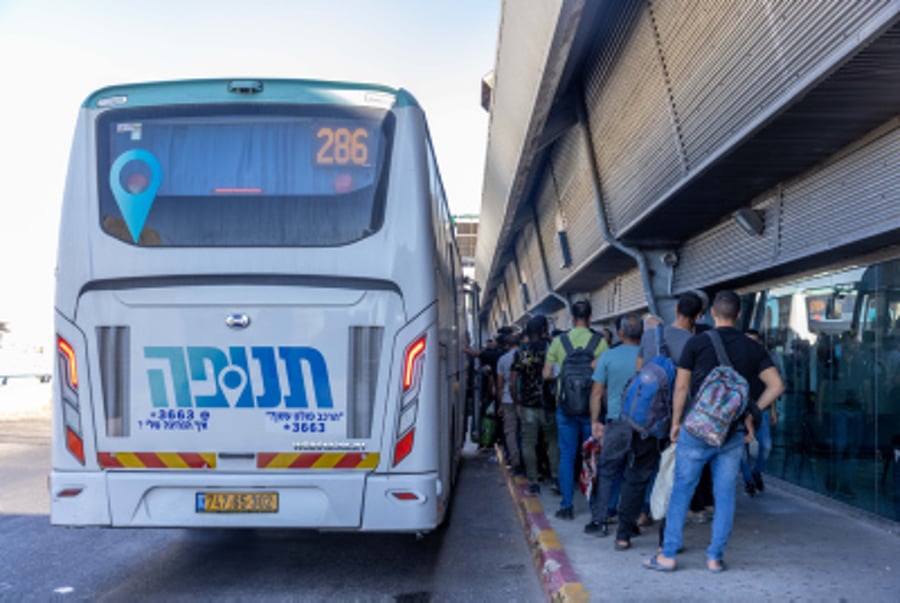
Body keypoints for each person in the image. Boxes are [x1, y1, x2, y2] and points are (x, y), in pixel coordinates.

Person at [645, 290, 784, 573]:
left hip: (696, 429)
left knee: (681, 491)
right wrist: (750, 411)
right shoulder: (752, 347)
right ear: (739, 315)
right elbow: (776, 386)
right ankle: (714, 558)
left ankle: (667, 555)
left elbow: (682, 388)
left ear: (711, 314)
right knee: (724, 496)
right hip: (731, 433)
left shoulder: (697, 343)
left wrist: (675, 424)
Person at [543, 300, 609, 520]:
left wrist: (561, 375)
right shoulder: (600, 342)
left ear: (571, 318)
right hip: (592, 408)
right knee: (591, 457)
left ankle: (566, 505)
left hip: (566, 407)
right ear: (590, 318)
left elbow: (546, 374)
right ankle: (593, 508)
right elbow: (604, 374)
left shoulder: (559, 341)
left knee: (567, 455)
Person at [585, 313, 644, 539]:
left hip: (617, 422)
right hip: (643, 426)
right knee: (635, 475)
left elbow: (596, 392)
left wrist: (594, 421)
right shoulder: (649, 356)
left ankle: (599, 521)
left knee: (608, 472)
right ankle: (630, 523)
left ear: (620, 333)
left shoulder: (608, 357)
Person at [512, 315, 560, 493]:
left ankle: (533, 480)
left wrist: (517, 401)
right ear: (543, 330)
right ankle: (555, 478)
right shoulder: (551, 349)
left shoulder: (521, 352)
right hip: (549, 404)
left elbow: (513, 379)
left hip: (528, 405)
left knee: (529, 443)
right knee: (553, 442)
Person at [740, 329, 779, 496]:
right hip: (741, 411)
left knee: (766, 446)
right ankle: (749, 480)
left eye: (754, 341)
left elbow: (772, 387)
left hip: (760, 410)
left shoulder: (764, 361)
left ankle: (756, 472)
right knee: (741, 451)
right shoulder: (738, 360)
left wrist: (773, 410)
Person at [495, 332, 522, 474]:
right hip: (525, 399)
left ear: (506, 346)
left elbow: (499, 385)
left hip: (507, 399)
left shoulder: (502, 360)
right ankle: (527, 461)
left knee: (510, 431)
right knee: (525, 431)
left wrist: (499, 404)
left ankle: (515, 460)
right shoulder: (525, 355)